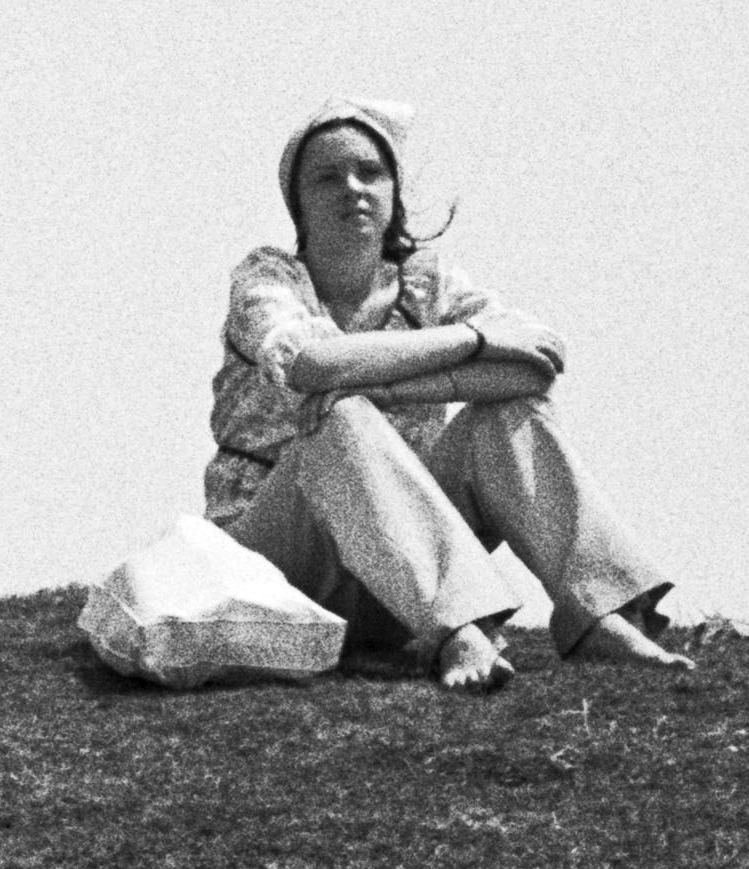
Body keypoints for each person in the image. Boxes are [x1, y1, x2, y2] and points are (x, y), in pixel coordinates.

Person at [209, 101, 687, 695]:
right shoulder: (270, 277)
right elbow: (312, 365)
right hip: (275, 573)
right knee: (340, 414)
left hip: (393, 576)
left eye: (369, 173)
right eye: (327, 177)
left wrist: (393, 383)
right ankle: (459, 626)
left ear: (394, 192)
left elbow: (535, 363)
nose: (352, 189)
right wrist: (469, 343)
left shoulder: (426, 283)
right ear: (298, 202)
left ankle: (598, 614)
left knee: (510, 415)